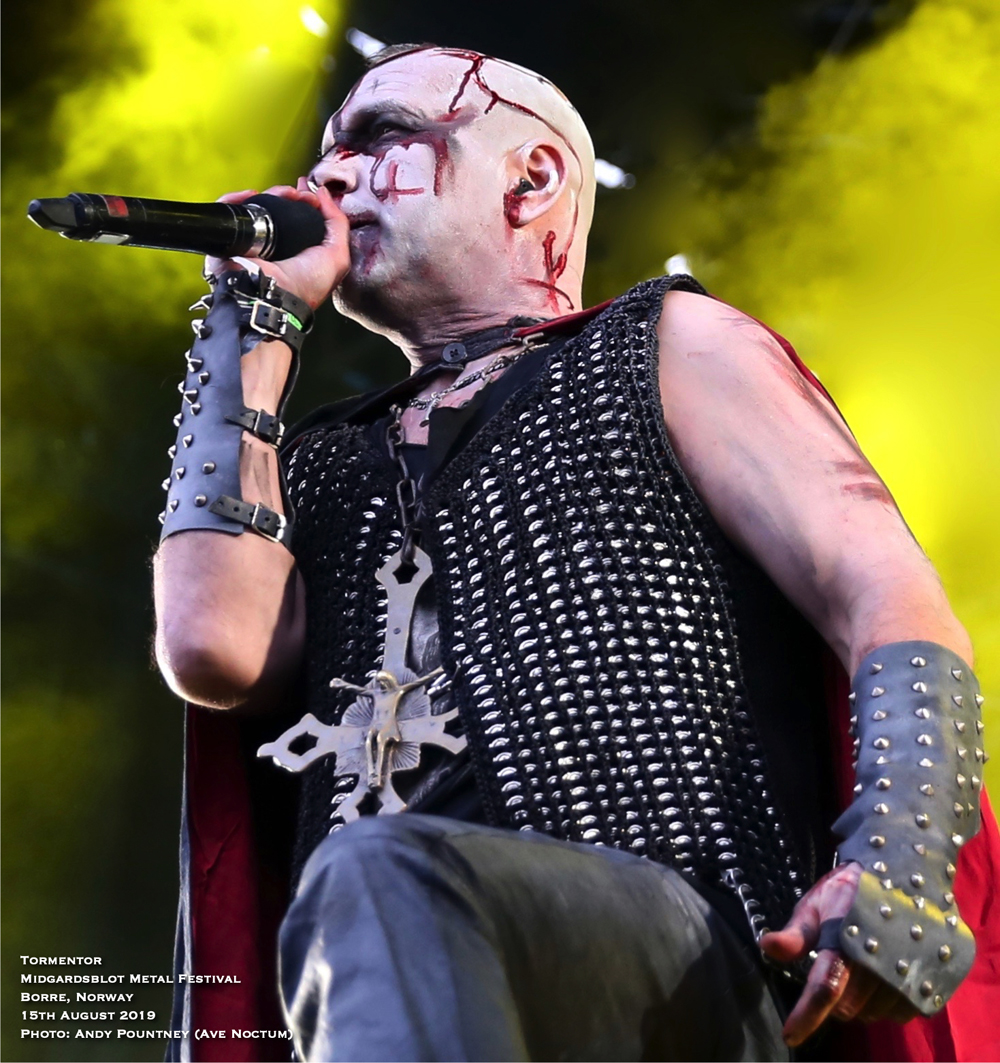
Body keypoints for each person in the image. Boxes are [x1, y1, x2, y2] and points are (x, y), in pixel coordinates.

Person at [153, 44, 999, 1062]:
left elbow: (885, 591)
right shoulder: (321, 459)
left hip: (681, 971)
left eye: (378, 138)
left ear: (533, 177)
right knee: (372, 876)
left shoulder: (669, 344)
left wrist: (901, 856)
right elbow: (211, 646)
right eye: (326, 153)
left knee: (380, 871)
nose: (328, 175)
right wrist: (247, 321)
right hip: (398, 987)